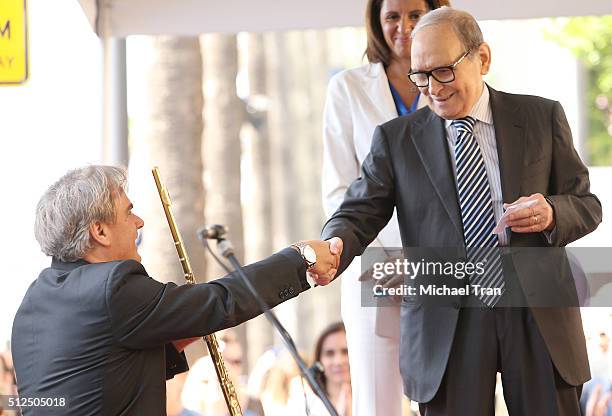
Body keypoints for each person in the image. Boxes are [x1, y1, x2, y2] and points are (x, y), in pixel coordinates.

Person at [321, 7, 602, 415]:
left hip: (536, 312)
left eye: (443, 72)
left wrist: (553, 214)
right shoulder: (396, 141)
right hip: (447, 318)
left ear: (482, 58)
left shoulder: (542, 117)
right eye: (421, 75)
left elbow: (586, 205)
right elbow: (358, 212)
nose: (431, 88)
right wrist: (333, 245)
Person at [11, 165, 339, 416]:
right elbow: (220, 301)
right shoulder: (113, 286)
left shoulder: (33, 302)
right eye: (128, 211)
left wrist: (181, 330)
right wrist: (301, 259)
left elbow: (102, 371)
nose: (138, 222)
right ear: (100, 231)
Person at [322, 1, 449, 414]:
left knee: (449, 394)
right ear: (377, 23)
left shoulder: (449, 83)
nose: (404, 27)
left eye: (415, 15)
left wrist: (421, 264)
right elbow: (340, 191)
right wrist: (386, 261)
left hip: (440, 267)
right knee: (378, 403)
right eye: (392, 17)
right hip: (372, 269)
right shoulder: (348, 88)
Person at [288, 322, 351, 416]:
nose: (338, 361)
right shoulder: (305, 401)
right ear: (319, 359)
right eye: (330, 353)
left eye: (345, 352)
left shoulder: (372, 397)